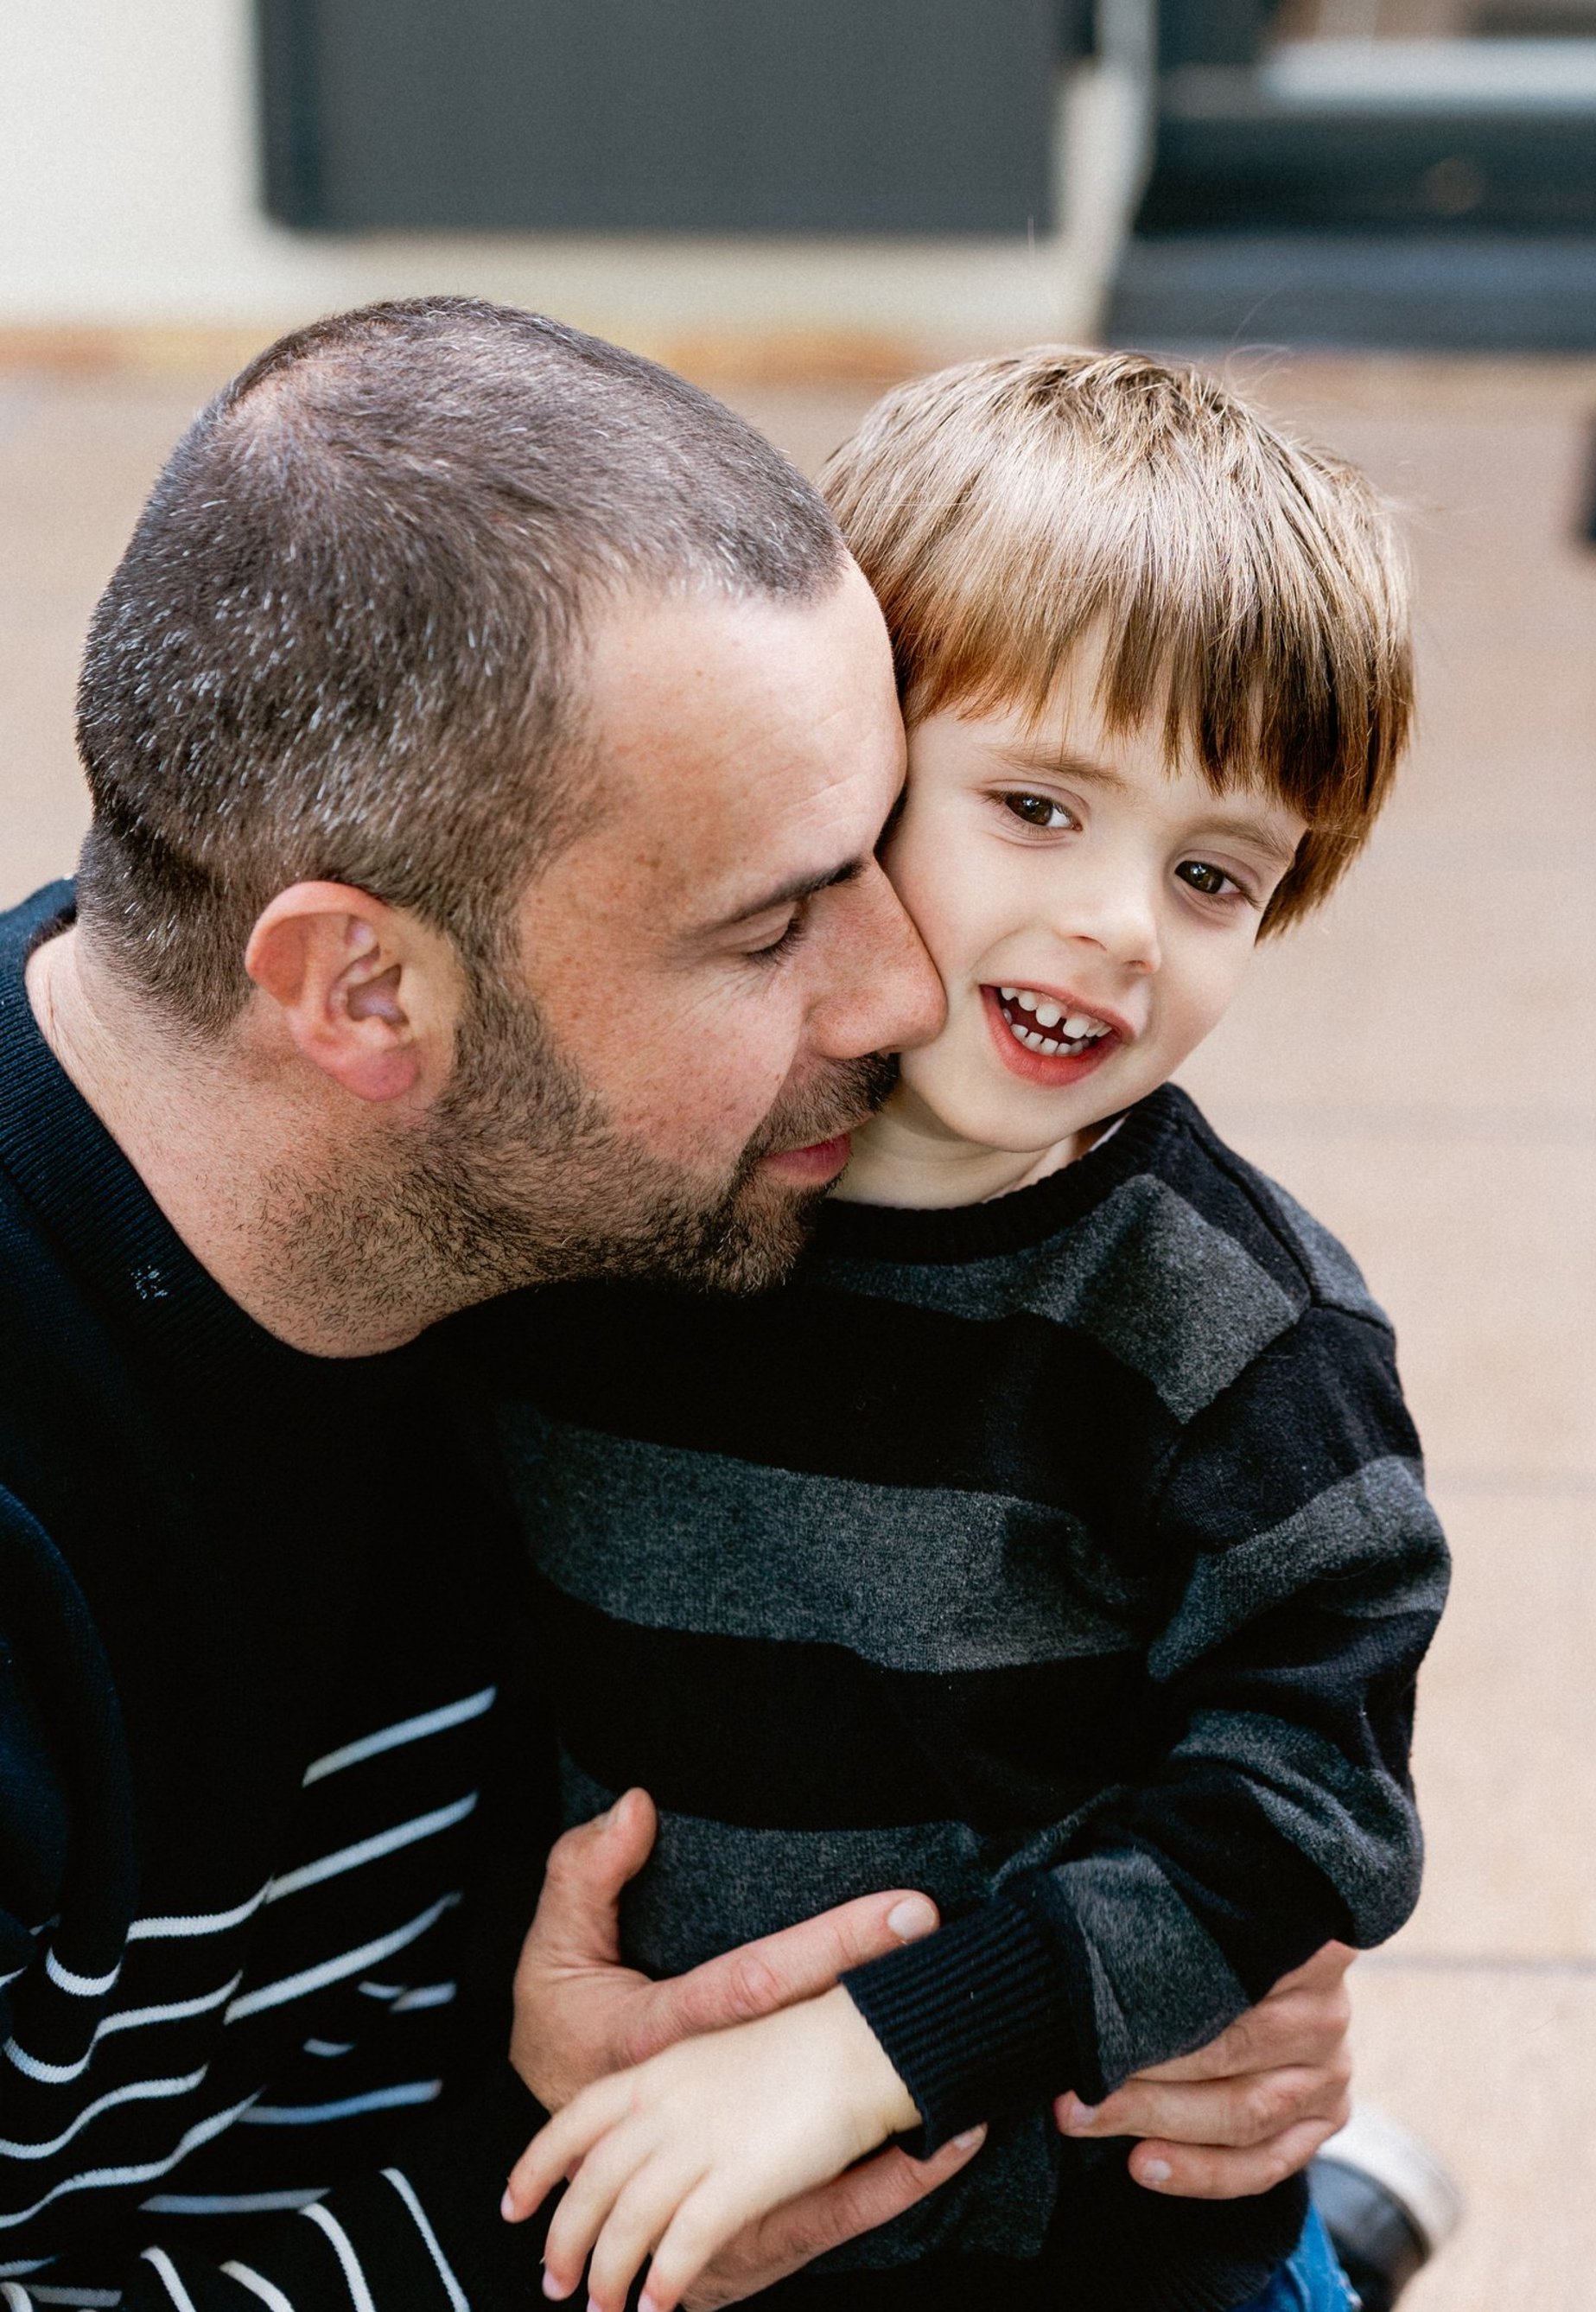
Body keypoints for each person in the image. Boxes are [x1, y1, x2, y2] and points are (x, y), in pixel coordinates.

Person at [0, 305, 1360, 2310]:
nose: (900, 996)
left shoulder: (560, 1192)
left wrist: (1176, 1976)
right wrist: (552, 2220)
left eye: (877, 846)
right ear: (364, 995)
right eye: (768, 923)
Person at [495, 351, 1452, 2312]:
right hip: (663, 2189)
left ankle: (1344, 2239)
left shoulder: (1240, 1337)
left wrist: (869, 2054)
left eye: (1214, 875)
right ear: (847, 767)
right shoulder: (610, 1208)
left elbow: (1304, 1798)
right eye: (1035, 805)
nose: (1120, 925)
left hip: (1096, 2247)